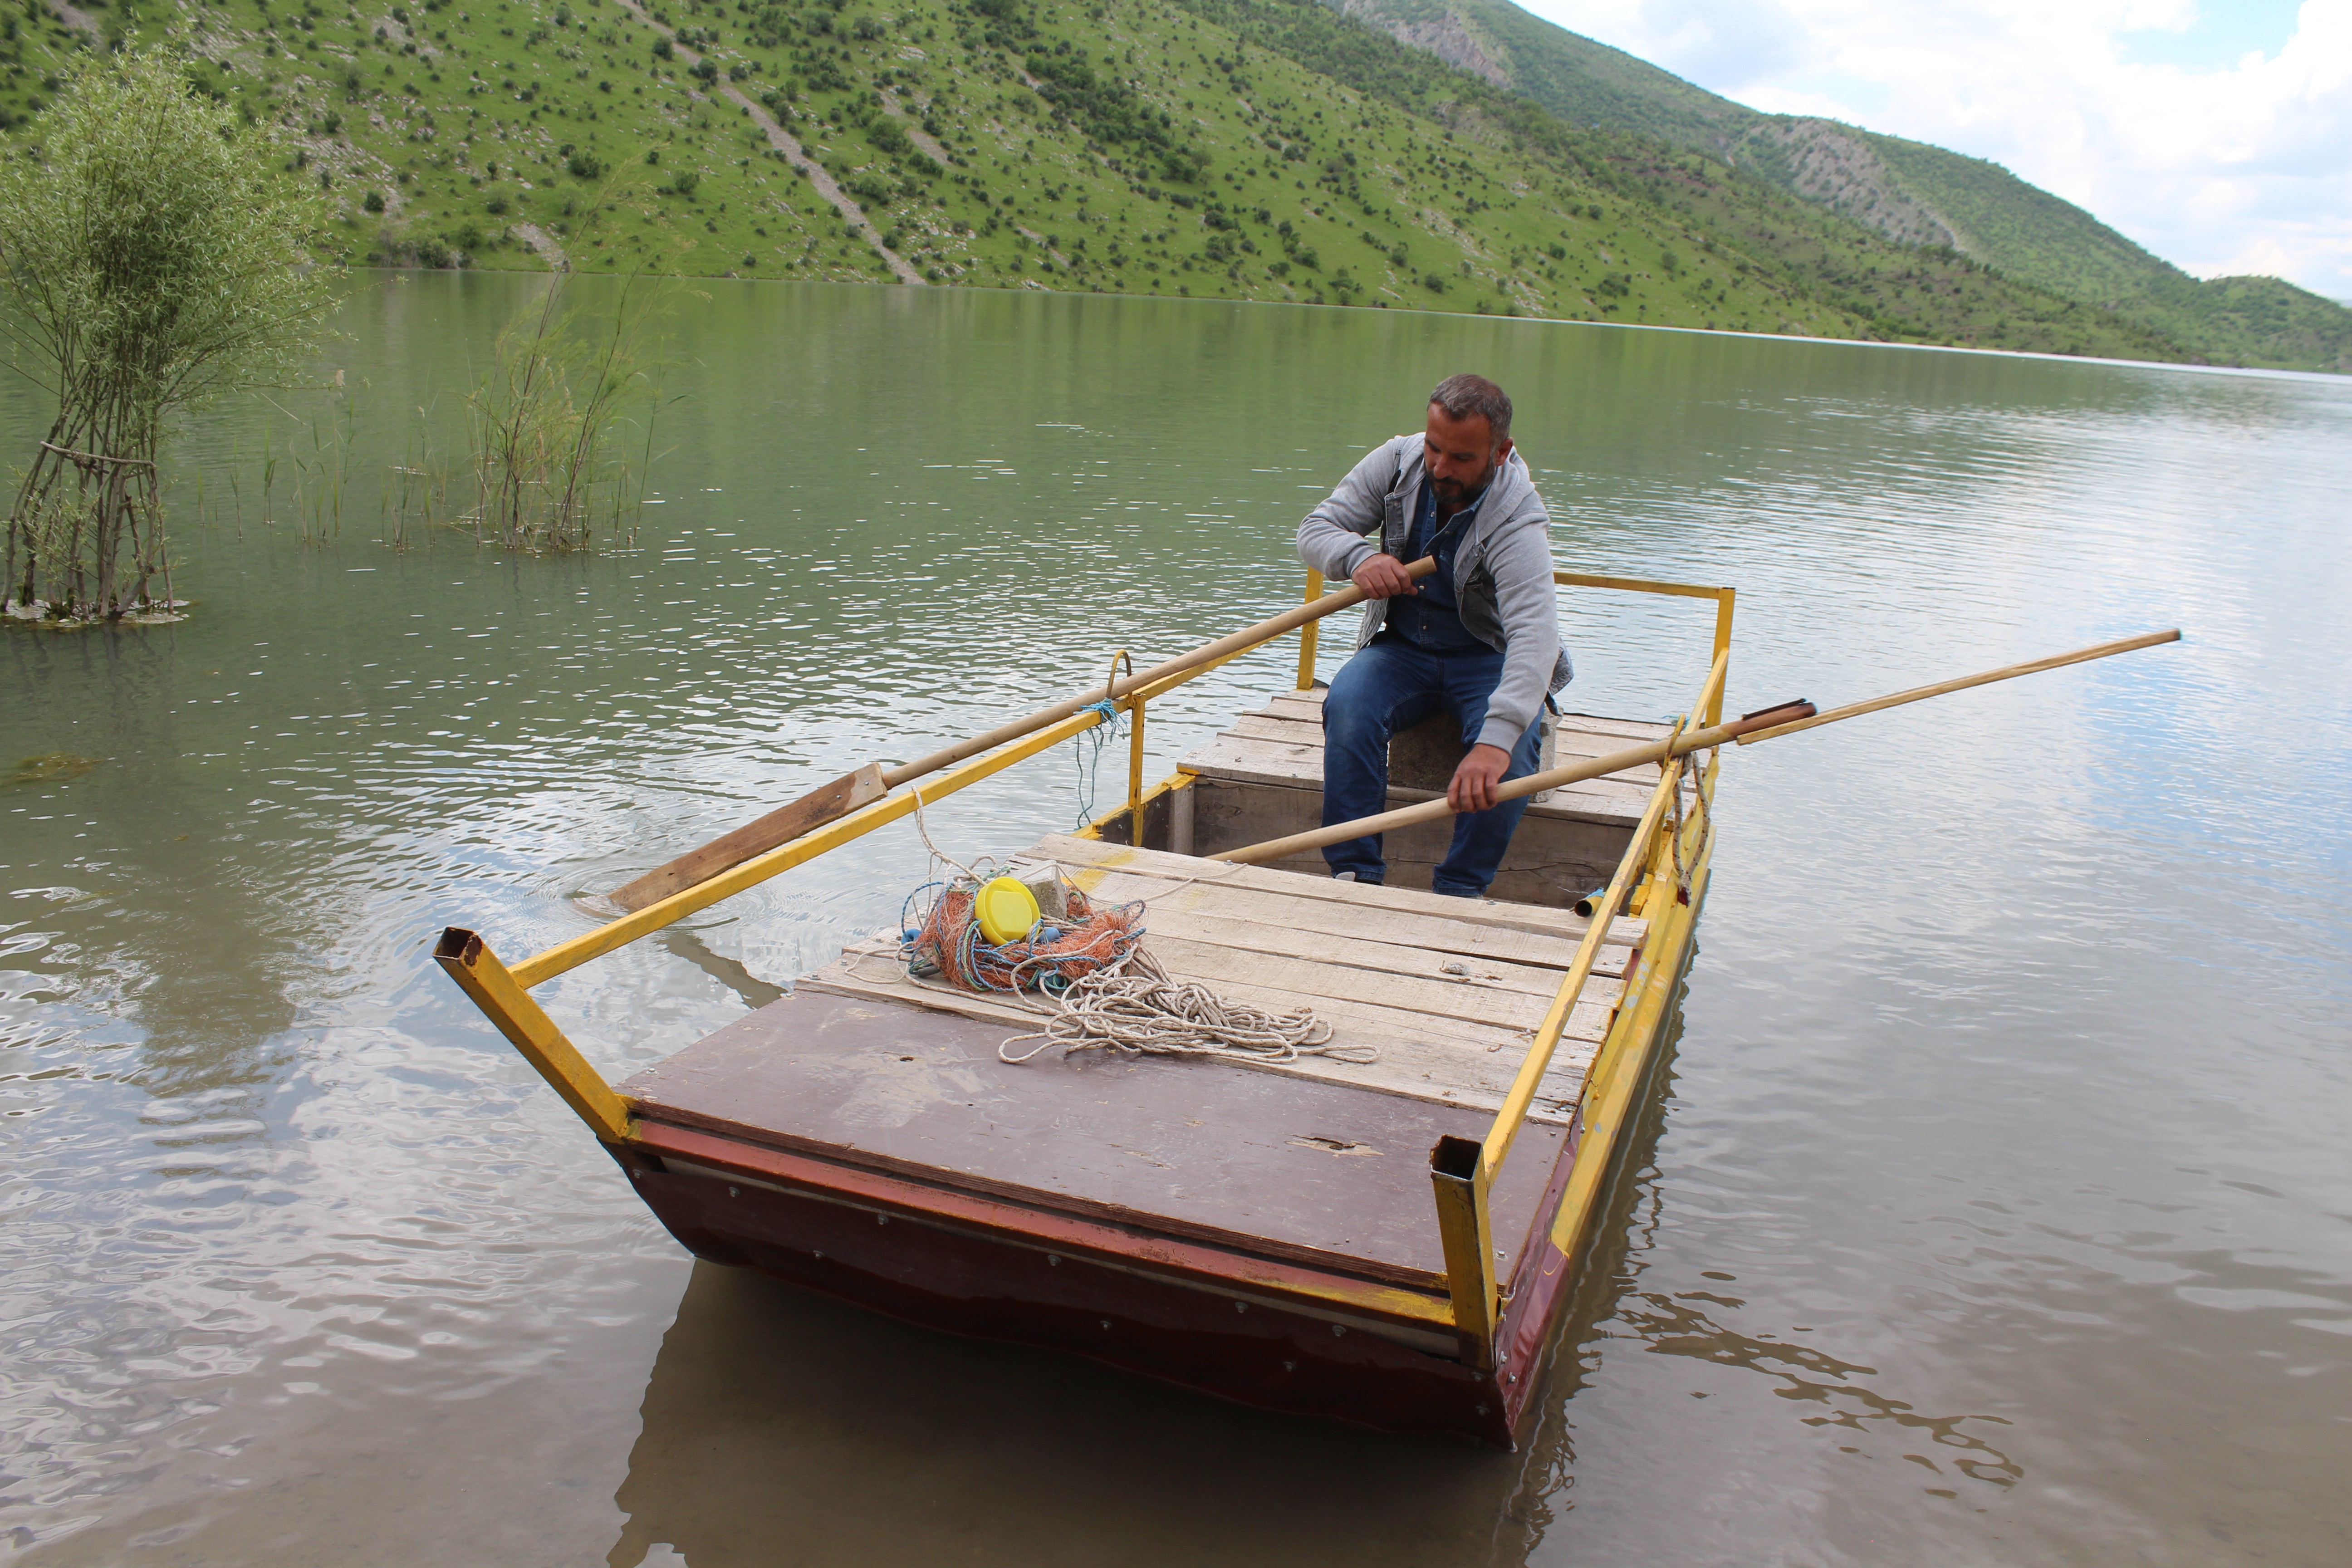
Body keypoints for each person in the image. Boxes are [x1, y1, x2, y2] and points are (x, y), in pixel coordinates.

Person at [1295, 373, 1570, 897]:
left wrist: (1494, 743)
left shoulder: (1518, 518)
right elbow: (1315, 530)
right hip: (1402, 651)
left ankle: (1460, 888)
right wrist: (1359, 558)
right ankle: (1354, 874)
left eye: (1462, 458)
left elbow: (1535, 637)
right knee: (1348, 705)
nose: (1441, 468)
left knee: (1513, 755)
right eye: (1435, 449)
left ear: (1500, 452)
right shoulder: (1397, 462)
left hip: (1487, 658)